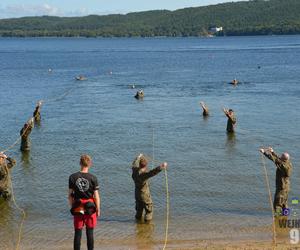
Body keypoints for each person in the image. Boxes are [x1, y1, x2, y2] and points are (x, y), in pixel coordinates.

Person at [68, 155, 100, 250]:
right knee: (90, 232)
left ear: (80, 163)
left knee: (78, 232)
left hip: (78, 207)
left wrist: (72, 207)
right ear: (90, 164)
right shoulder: (93, 178)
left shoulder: (72, 177)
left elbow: (69, 196)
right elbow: (96, 197)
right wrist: (98, 209)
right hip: (90, 208)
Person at [132, 154, 168, 222]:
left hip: (137, 194)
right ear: (145, 166)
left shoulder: (134, 170)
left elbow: (134, 163)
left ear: (139, 165)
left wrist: (138, 157)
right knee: (149, 210)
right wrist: (162, 166)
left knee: (139, 209)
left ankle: (137, 223)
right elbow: (153, 172)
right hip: (144, 195)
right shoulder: (143, 175)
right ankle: (147, 225)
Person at [260, 147, 292, 214]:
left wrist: (264, 152)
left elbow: (274, 159)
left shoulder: (282, 165)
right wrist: (272, 152)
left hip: (281, 187)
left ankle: (277, 216)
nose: (280, 156)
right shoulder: (288, 163)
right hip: (286, 186)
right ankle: (285, 215)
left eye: (281, 156)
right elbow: (278, 159)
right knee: (284, 201)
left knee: (277, 203)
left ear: (283, 158)